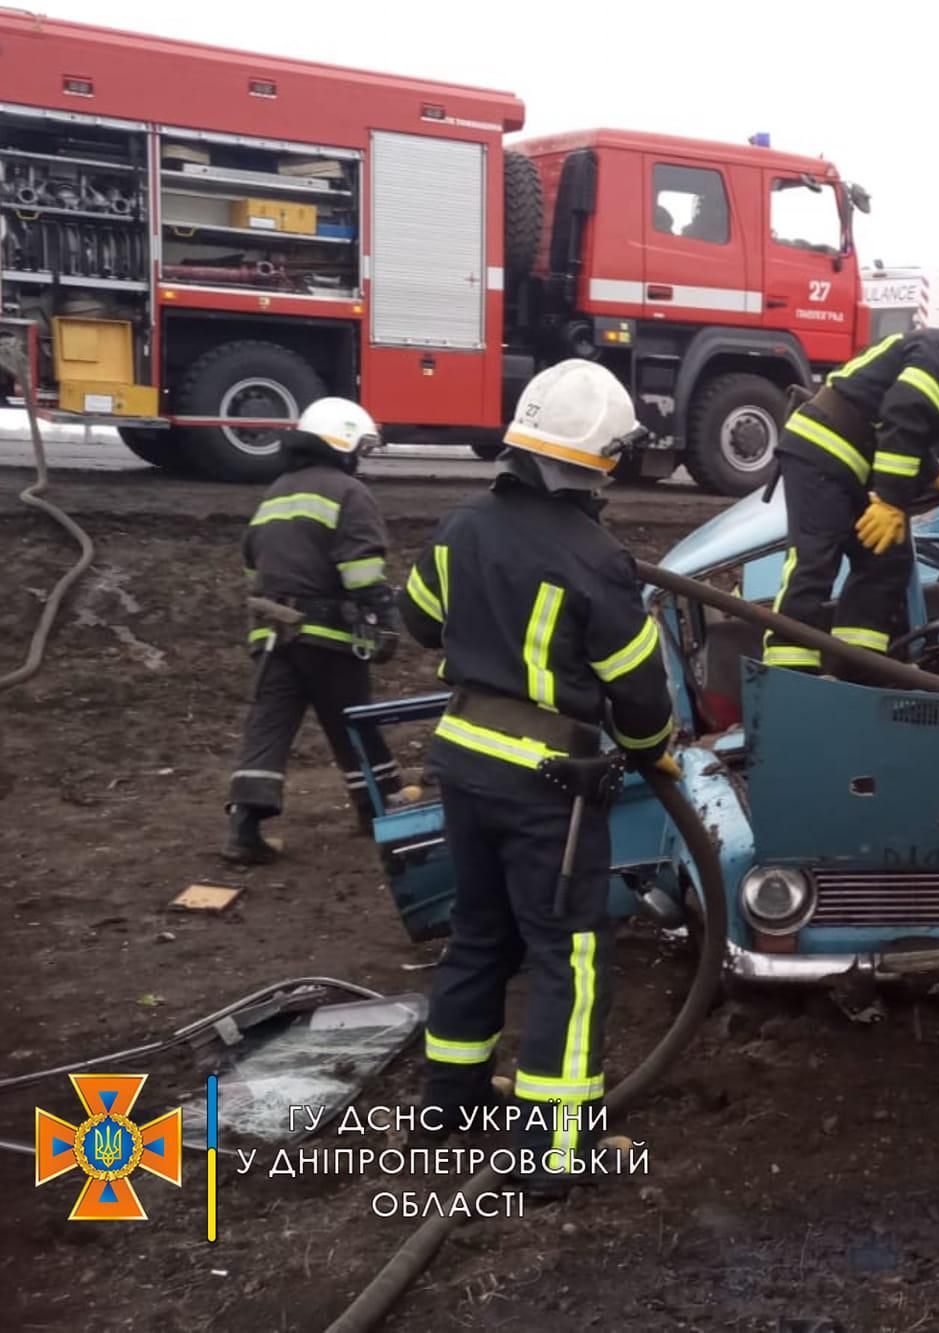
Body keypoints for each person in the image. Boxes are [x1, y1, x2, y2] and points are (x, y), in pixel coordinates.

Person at [399, 359, 675, 1195]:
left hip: (463, 756)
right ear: (602, 458)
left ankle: (446, 1109)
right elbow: (640, 693)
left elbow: (418, 622)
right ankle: (555, 1152)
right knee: (571, 955)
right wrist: (652, 746)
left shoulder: (459, 527)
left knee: (480, 931)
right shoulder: (597, 558)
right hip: (546, 782)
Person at [763, 290, 939, 671]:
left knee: (886, 563)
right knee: (815, 562)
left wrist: (931, 471)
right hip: (820, 451)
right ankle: (786, 675)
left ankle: (858, 669)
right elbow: (902, 415)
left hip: (854, 460)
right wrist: (890, 501)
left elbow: (902, 427)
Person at [222, 397, 408, 864]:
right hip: (325, 633)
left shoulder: (276, 492)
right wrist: (383, 619)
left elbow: (252, 564)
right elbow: (361, 568)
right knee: (353, 721)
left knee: (269, 725)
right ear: (342, 442)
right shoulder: (348, 492)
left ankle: (244, 826)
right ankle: (380, 809)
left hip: (271, 633)